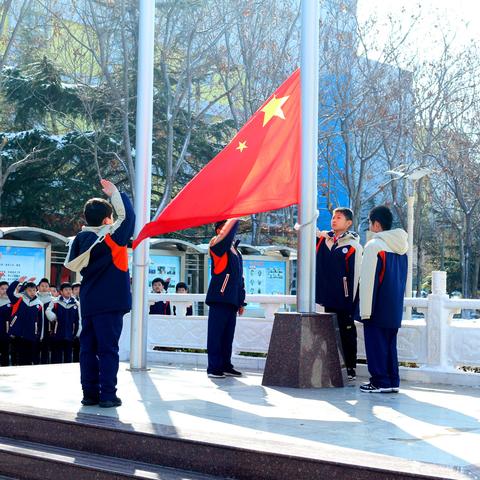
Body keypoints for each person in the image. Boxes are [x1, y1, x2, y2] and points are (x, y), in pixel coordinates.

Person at [64, 179, 135, 408]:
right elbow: (129, 218)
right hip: (111, 302)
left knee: (88, 348)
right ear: (107, 220)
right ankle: (107, 395)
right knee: (108, 350)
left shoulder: (80, 240)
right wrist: (115, 193)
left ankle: (89, 393)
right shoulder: (111, 238)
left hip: (89, 301)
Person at [359, 205, 408, 393]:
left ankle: (379, 381)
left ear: (377, 225)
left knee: (376, 345)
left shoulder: (374, 246)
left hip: (376, 306)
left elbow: (368, 281)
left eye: (370, 224)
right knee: (389, 345)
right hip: (394, 305)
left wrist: (364, 311)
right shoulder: (402, 248)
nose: (370, 228)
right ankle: (392, 381)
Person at [315, 207, 363, 380]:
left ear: (348, 223)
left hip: (345, 299)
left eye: (339, 217)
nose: (334, 220)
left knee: (347, 333)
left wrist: (352, 300)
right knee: (329, 333)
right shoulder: (323, 241)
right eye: (333, 217)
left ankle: (350, 367)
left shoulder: (353, 246)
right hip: (326, 298)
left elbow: (356, 274)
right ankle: (333, 366)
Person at [205, 219, 246, 378]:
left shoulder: (236, 251)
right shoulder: (216, 245)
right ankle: (214, 367)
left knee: (228, 336)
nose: (230, 231)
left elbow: (240, 279)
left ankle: (225, 365)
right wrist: (235, 216)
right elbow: (226, 238)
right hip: (219, 298)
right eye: (225, 228)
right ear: (218, 230)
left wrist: (241, 301)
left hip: (232, 300)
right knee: (216, 335)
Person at [7, 276, 44, 366]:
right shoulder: (19, 298)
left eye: (34, 290)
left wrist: (40, 336)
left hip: (30, 335)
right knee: (16, 357)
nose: (32, 292)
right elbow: (9, 292)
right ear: (25, 291)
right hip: (17, 333)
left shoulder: (39, 304)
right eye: (29, 290)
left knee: (27, 359)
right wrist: (18, 282)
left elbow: (41, 321)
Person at [46, 282, 80, 364]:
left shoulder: (76, 304)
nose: (68, 291)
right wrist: (53, 317)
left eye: (69, 290)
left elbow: (79, 319)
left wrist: (78, 332)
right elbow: (48, 311)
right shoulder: (55, 302)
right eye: (66, 290)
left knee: (68, 357)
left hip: (70, 334)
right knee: (56, 357)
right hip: (57, 334)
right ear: (61, 291)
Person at [36, 278, 53, 364]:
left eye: (46, 286)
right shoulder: (34, 299)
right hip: (36, 328)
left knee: (45, 349)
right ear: (38, 287)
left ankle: (44, 365)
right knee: (35, 349)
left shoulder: (52, 300)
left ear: (49, 288)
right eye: (42, 286)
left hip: (48, 328)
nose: (44, 288)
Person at [0, 279, 11, 367]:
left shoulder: (11, 301)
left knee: (5, 352)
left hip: (6, 330)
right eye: (2, 288)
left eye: (6, 289)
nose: (4, 291)